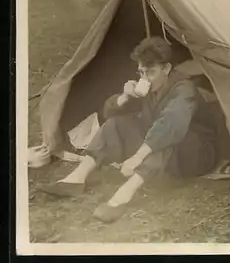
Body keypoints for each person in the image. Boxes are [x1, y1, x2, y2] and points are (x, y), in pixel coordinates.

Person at [40, 36, 218, 223]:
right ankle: (77, 177)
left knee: (165, 136)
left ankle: (124, 194)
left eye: (150, 73)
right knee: (116, 124)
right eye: (141, 73)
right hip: (167, 147)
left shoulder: (184, 89)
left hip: (196, 153)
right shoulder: (149, 87)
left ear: (166, 68)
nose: (144, 78)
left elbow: (170, 125)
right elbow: (109, 114)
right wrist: (124, 97)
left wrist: (137, 158)